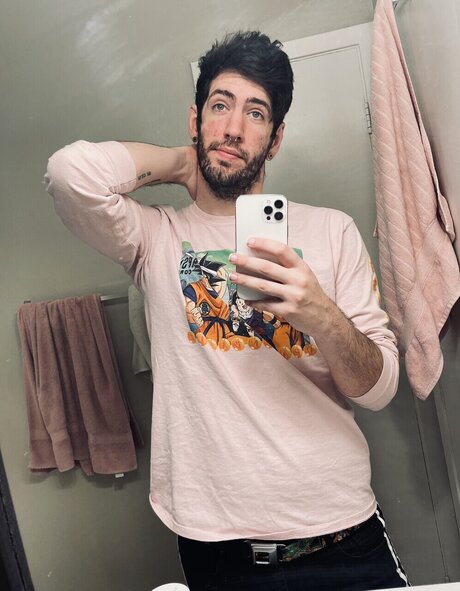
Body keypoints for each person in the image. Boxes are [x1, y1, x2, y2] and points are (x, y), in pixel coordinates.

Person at [44, 30, 410, 591]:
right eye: (220, 106)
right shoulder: (153, 237)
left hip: (342, 539)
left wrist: (320, 314)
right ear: (196, 121)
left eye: (256, 113)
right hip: (218, 553)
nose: (234, 128)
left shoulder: (331, 230)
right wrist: (182, 164)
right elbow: (70, 174)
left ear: (276, 138)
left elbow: (379, 391)